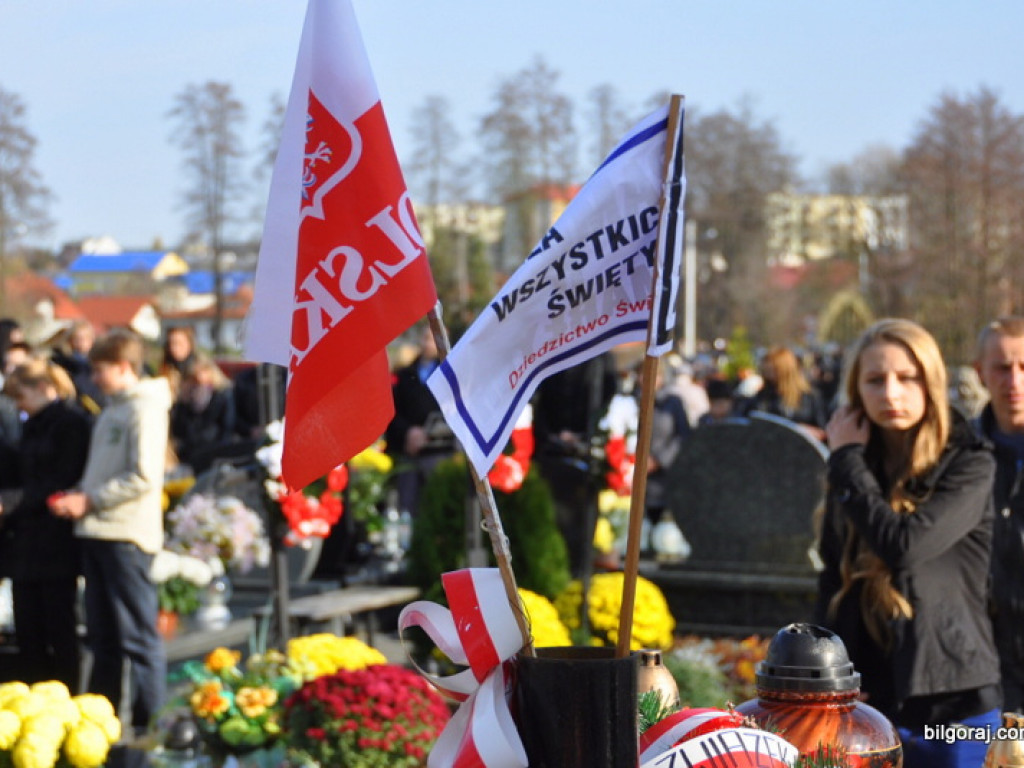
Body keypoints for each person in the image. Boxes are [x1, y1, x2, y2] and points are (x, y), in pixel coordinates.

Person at [814, 318, 1000, 768]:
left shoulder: (970, 463)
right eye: (875, 380)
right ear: (857, 390)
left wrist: (845, 463)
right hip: (869, 693)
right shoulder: (854, 468)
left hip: (952, 699)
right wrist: (827, 674)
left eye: (906, 377)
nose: (891, 393)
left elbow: (905, 546)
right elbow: (831, 573)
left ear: (931, 382)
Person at [50, 329, 171, 734]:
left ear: (124, 367)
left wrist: (90, 500)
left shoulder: (146, 408)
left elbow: (143, 476)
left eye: (100, 370)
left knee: (138, 638)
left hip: (126, 536)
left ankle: (150, 728)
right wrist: (80, 495)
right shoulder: (114, 407)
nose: (94, 379)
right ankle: (102, 729)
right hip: (99, 531)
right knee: (103, 640)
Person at [0, 357, 92, 689]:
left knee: (58, 625)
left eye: (22, 397)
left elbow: (62, 476)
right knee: (28, 628)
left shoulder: (71, 424)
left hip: (55, 538)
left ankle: (66, 693)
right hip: (24, 538)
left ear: (43, 388)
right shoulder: (30, 426)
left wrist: (14, 502)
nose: (20, 407)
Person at [973, 315, 1024, 712]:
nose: (1014, 382)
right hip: (984, 658)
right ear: (980, 372)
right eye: (1002, 368)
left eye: (1023, 367)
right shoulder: (959, 454)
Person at [386, 324, 456, 517]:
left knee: (437, 510)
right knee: (408, 509)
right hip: (410, 453)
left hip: (440, 453)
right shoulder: (405, 375)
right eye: (427, 337)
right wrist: (408, 432)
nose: (429, 343)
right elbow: (392, 412)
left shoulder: (450, 376)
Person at [741, 346, 827, 440]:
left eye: (772, 371)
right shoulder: (761, 398)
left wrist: (800, 430)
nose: (768, 375)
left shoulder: (810, 398)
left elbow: (823, 433)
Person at [169, 354, 237, 474]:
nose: (198, 381)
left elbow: (227, 426)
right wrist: (184, 403)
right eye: (193, 378)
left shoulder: (222, 395)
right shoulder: (185, 400)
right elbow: (179, 429)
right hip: (189, 455)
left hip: (214, 452)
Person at [51, 320, 105, 413]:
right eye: (77, 338)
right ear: (70, 341)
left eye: (85, 338)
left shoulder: (98, 363)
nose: (81, 342)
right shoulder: (62, 363)